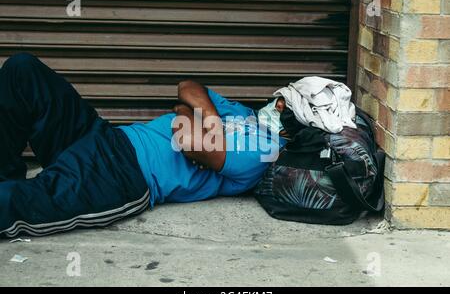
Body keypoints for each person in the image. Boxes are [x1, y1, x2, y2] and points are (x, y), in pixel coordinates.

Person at [0, 53, 286, 238]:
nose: (281, 99)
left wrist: (186, 113)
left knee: (19, 202)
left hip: (123, 176)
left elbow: (186, 138)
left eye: (291, 103)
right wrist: (209, 116)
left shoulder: (264, 151)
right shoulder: (243, 113)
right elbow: (188, 87)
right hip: (106, 136)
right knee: (22, 69)